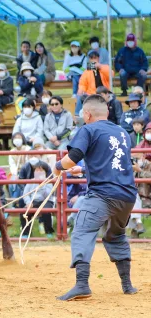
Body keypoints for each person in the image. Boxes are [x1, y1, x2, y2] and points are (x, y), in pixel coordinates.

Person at [54, 94, 138, 301]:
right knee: (116, 235)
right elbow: (111, 163)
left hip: (103, 194)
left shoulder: (87, 129)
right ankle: (127, 285)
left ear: (87, 114)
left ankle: (82, 284)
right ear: (107, 111)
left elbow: (71, 158)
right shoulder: (122, 132)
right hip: (127, 195)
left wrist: (58, 168)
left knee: (82, 230)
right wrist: (81, 171)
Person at [21, 162, 54, 239]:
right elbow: (25, 194)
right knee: (24, 211)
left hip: (46, 201)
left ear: (45, 172)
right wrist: (28, 203)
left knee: (46, 210)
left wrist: (41, 184)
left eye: (41, 170)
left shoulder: (49, 181)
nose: (38, 172)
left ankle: (48, 231)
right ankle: (26, 233)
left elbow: (48, 195)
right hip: (33, 201)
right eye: (36, 170)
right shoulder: (31, 181)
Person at [75, 51, 113, 117]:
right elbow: (82, 83)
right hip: (91, 93)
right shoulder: (87, 71)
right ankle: (77, 115)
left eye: (95, 58)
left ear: (98, 58)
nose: (93, 60)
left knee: (114, 100)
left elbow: (111, 74)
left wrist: (100, 67)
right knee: (80, 97)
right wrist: (80, 90)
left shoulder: (105, 67)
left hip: (105, 93)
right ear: (89, 59)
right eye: (91, 58)